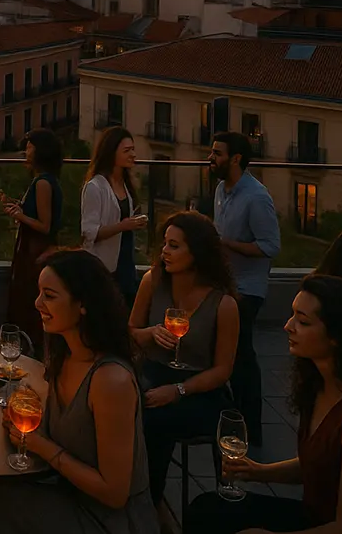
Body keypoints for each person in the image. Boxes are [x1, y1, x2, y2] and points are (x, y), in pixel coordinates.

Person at [0, 251, 156, 534]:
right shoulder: (62, 353)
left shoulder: (111, 381)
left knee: (9, 507)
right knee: (7, 496)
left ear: (83, 304)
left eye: (49, 295)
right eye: (39, 293)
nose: (37, 303)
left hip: (109, 520)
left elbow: (114, 493)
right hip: (67, 492)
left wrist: (40, 445)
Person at [185, 275, 342, 534]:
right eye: (292, 315)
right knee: (206, 509)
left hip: (330, 526)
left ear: (336, 335)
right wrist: (258, 471)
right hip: (310, 514)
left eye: (302, 321)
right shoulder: (317, 386)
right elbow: (318, 463)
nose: (288, 326)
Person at [128, 210, 239, 511]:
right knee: (130, 407)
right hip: (152, 373)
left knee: (157, 420)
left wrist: (177, 391)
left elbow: (222, 370)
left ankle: (151, 503)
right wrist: (149, 333)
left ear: (198, 252)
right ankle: (141, 498)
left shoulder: (224, 304)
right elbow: (130, 331)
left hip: (198, 387)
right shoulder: (152, 282)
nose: (164, 251)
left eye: (175, 245)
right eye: (164, 243)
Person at [209, 131, 280, 446]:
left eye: (217, 153)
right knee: (232, 352)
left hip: (249, 288)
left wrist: (225, 244)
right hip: (227, 284)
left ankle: (251, 429)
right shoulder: (221, 190)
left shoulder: (257, 197)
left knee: (242, 356)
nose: (211, 158)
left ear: (235, 158)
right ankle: (234, 419)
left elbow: (270, 246)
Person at [3, 128, 65, 348]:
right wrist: (21, 209)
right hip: (33, 248)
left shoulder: (42, 183)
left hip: (34, 251)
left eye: (29, 147)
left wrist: (20, 216)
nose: (26, 151)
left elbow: (44, 225)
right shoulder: (45, 181)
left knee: (27, 302)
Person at [80, 126, 149, 311]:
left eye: (133, 149)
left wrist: (134, 222)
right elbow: (89, 232)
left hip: (125, 262)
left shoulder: (125, 183)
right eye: (127, 151)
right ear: (111, 153)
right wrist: (123, 226)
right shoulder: (95, 187)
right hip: (105, 267)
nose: (133, 154)